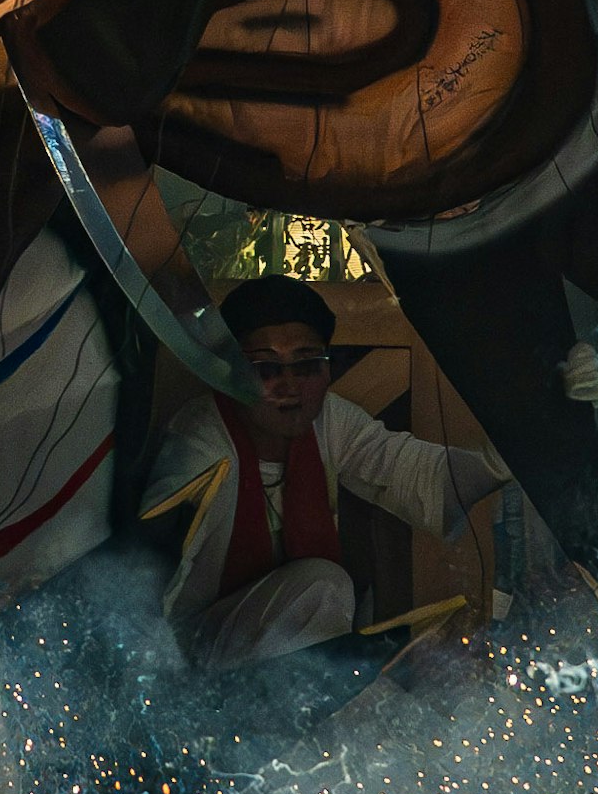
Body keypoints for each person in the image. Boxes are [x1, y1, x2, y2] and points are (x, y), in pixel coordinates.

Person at [156, 280, 493, 663]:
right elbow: (148, 587)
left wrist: (503, 455)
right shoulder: (202, 444)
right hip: (189, 659)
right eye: (266, 368)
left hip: (282, 664)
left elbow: (423, 478)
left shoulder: (328, 421)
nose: (290, 386)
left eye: (307, 365)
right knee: (322, 588)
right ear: (231, 372)